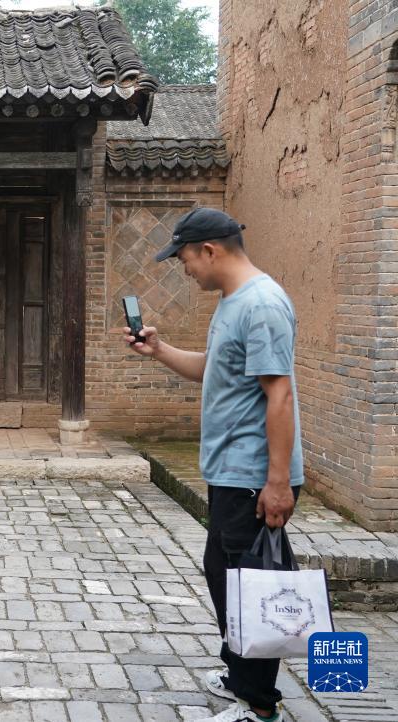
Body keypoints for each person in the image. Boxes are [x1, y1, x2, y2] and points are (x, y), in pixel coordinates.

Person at [124, 208, 303, 722]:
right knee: (226, 576)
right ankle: (239, 675)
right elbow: (213, 369)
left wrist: (277, 482)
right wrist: (159, 350)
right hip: (232, 474)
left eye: (184, 258)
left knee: (250, 588)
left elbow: (280, 395)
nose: (185, 270)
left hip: (253, 478)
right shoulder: (233, 302)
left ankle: (260, 706)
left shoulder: (262, 305)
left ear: (210, 250)